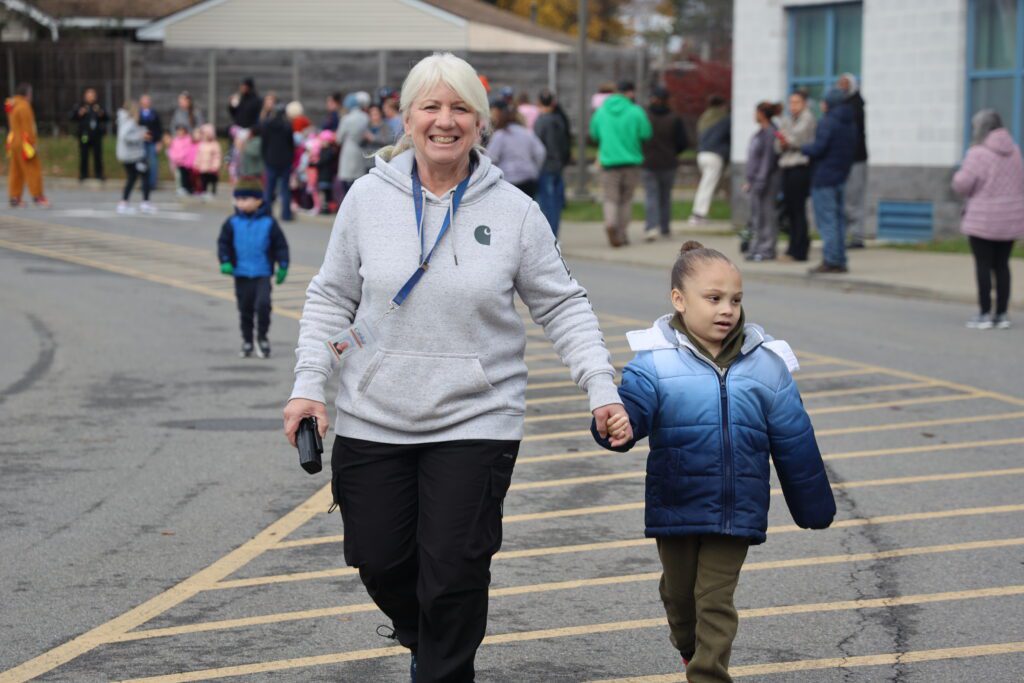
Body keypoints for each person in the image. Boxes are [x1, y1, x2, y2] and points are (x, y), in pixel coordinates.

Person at [282, 52, 630, 683]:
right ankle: (431, 640)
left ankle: (443, 669)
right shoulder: (366, 198)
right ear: (406, 118)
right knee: (380, 559)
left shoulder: (516, 211)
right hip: (373, 412)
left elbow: (563, 306)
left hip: (478, 415)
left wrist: (601, 389)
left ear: (481, 121)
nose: (445, 121)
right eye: (431, 107)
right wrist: (309, 386)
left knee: (455, 566)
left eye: (460, 108)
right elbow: (331, 295)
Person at [592, 240, 836, 682]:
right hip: (677, 502)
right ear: (679, 301)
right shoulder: (654, 363)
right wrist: (619, 426)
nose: (727, 310)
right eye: (714, 298)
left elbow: (795, 438)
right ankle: (689, 647)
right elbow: (633, 409)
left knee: (715, 600)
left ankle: (707, 674)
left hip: (737, 508)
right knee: (680, 599)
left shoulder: (767, 366)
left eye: (736, 300)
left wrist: (814, 507)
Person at [952, 110, 1024, 330]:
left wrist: (956, 177)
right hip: (1010, 218)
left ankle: (984, 313)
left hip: (982, 219)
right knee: (1002, 266)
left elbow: (963, 185)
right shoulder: (1015, 151)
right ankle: (1001, 314)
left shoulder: (977, 153)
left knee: (983, 265)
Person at [218, 177, 289, 359]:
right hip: (241, 273)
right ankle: (247, 340)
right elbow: (223, 243)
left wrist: (283, 265)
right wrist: (225, 260)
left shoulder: (269, 223)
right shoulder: (232, 223)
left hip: (262, 273)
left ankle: (262, 337)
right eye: (238, 199)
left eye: (245, 199)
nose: (241, 203)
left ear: (258, 200)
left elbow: (280, 245)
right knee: (245, 308)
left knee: (263, 305)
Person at [589, 80, 653, 247]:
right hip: (631, 161)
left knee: (610, 198)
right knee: (625, 199)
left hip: (608, 162)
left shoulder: (601, 111)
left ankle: (610, 224)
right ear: (630, 93)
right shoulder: (636, 111)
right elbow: (646, 133)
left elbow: (593, 134)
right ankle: (622, 233)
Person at [800, 89, 856, 274]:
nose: (821, 105)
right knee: (838, 220)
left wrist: (803, 148)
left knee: (827, 221)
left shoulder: (827, 122)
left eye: (824, 101)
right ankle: (840, 259)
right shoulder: (850, 123)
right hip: (841, 176)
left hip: (824, 177)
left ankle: (831, 260)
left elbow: (818, 148)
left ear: (830, 103)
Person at [641, 85, 688, 242]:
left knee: (651, 196)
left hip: (648, 161)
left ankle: (651, 227)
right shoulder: (675, 118)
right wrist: (674, 151)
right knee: (665, 196)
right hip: (669, 161)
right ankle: (665, 227)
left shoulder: (645, 116)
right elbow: (683, 142)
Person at [775, 90, 816, 262]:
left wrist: (786, 139)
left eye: (797, 102)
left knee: (798, 210)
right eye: (791, 102)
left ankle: (800, 249)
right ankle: (791, 247)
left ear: (804, 103)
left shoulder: (808, 118)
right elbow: (778, 145)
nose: (793, 106)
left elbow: (798, 139)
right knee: (790, 209)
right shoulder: (787, 119)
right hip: (786, 166)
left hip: (800, 167)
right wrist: (783, 141)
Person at [743, 102, 782, 261]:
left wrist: (760, 180)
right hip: (755, 181)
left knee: (767, 215)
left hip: (766, 181)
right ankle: (756, 246)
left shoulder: (770, 133)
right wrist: (749, 179)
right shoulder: (760, 133)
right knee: (757, 216)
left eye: (756, 112)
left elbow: (767, 160)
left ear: (762, 114)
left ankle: (767, 249)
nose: (754, 115)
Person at [486, 99, 546, 197]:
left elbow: (491, 157)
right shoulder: (527, 133)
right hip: (528, 178)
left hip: (509, 180)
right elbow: (540, 152)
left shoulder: (500, 135)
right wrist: (535, 168)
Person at [533, 88, 571, 236]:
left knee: (546, 202)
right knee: (556, 202)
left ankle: (549, 235)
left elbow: (537, 144)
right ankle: (555, 232)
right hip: (558, 165)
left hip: (545, 165)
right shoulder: (560, 120)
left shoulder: (541, 121)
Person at [837, 73, 868, 248]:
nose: (841, 87)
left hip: (856, 158)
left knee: (854, 199)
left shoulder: (855, 105)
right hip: (845, 159)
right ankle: (849, 234)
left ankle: (857, 236)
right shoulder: (844, 104)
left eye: (845, 84)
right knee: (846, 199)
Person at [690, 95, 731, 226]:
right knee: (708, 186)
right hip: (715, 155)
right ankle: (699, 214)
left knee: (707, 184)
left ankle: (699, 213)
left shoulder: (705, 117)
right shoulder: (725, 118)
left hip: (701, 154)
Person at [6, 84, 48, 207]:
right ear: (27, 94)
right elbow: (28, 128)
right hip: (24, 143)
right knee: (33, 169)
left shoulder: (12, 105)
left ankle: (15, 197)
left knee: (16, 171)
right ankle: (37, 196)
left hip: (13, 141)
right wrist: (33, 144)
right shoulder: (24, 106)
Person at [115, 103, 155, 215]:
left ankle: (123, 203)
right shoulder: (130, 122)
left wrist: (141, 131)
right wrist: (140, 136)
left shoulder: (125, 121)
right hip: (133, 156)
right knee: (145, 174)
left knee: (132, 178)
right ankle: (145, 203)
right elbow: (125, 136)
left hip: (128, 155)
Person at [335, 91, 371, 204]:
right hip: (361, 150)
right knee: (358, 180)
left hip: (348, 149)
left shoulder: (346, 118)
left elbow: (338, 138)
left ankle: (348, 206)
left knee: (347, 179)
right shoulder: (365, 117)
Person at [261, 104, 295, 221]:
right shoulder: (287, 126)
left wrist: (265, 157)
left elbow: (264, 143)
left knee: (269, 188)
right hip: (285, 160)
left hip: (271, 159)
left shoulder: (267, 125)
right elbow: (291, 145)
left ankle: (266, 213)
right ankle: (286, 214)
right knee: (285, 188)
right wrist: (291, 158)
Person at [70, 87, 109, 182]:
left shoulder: (98, 106)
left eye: (92, 96)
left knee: (98, 155)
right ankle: (83, 174)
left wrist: (100, 113)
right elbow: (72, 117)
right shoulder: (80, 106)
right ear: (85, 96)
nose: (90, 97)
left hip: (96, 136)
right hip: (84, 135)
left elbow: (107, 117)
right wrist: (80, 113)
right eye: (89, 95)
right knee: (84, 153)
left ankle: (99, 174)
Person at [138, 93, 163, 191]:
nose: (146, 103)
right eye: (144, 101)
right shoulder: (137, 114)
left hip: (152, 142)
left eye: (147, 101)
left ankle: (152, 184)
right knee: (141, 164)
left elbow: (158, 128)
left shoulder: (154, 114)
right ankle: (144, 183)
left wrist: (159, 142)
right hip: (141, 142)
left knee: (153, 163)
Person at [168, 126, 198, 196]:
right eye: (178, 131)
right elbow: (172, 150)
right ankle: (180, 188)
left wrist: (181, 157)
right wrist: (175, 158)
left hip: (185, 163)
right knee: (178, 176)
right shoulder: (175, 140)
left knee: (186, 176)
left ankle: (188, 188)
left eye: (182, 131)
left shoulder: (188, 140)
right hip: (177, 162)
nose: (180, 133)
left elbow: (188, 150)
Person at [194, 123, 222, 198]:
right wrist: (196, 164)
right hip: (203, 167)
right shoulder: (202, 144)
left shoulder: (215, 144)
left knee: (213, 180)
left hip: (211, 167)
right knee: (204, 180)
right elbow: (198, 155)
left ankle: (213, 191)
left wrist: (216, 166)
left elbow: (217, 156)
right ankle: (204, 191)